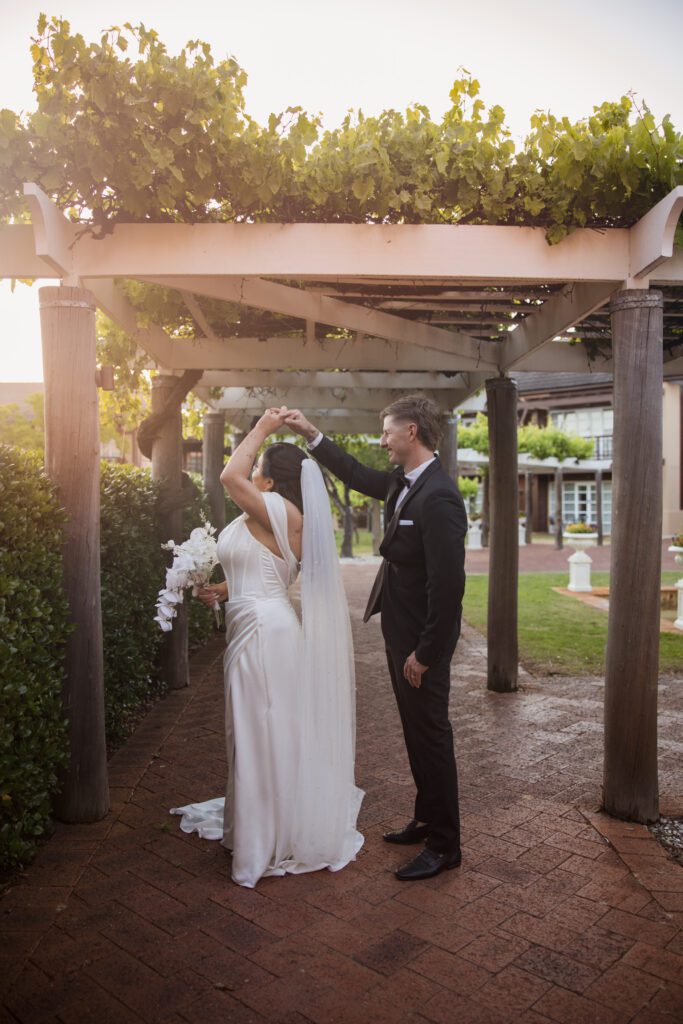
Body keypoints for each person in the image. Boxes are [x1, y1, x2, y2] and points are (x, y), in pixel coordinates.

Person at [169, 408, 364, 888]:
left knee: (261, 733)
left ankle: (265, 841)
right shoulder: (272, 516)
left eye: (258, 468)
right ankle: (261, 825)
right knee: (257, 731)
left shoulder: (281, 510)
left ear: (271, 481)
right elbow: (267, 570)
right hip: (258, 623)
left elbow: (228, 476)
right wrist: (223, 589)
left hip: (263, 632)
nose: (250, 472)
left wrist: (262, 428)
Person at [284, 395, 467, 882]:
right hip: (399, 630)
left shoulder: (440, 497)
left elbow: (448, 587)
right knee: (414, 731)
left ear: (411, 432)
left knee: (432, 735)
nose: (382, 440)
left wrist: (426, 653)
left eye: (387, 431)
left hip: (421, 641)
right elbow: (353, 472)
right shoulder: (402, 482)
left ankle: (446, 845)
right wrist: (311, 433)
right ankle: (426, 820)